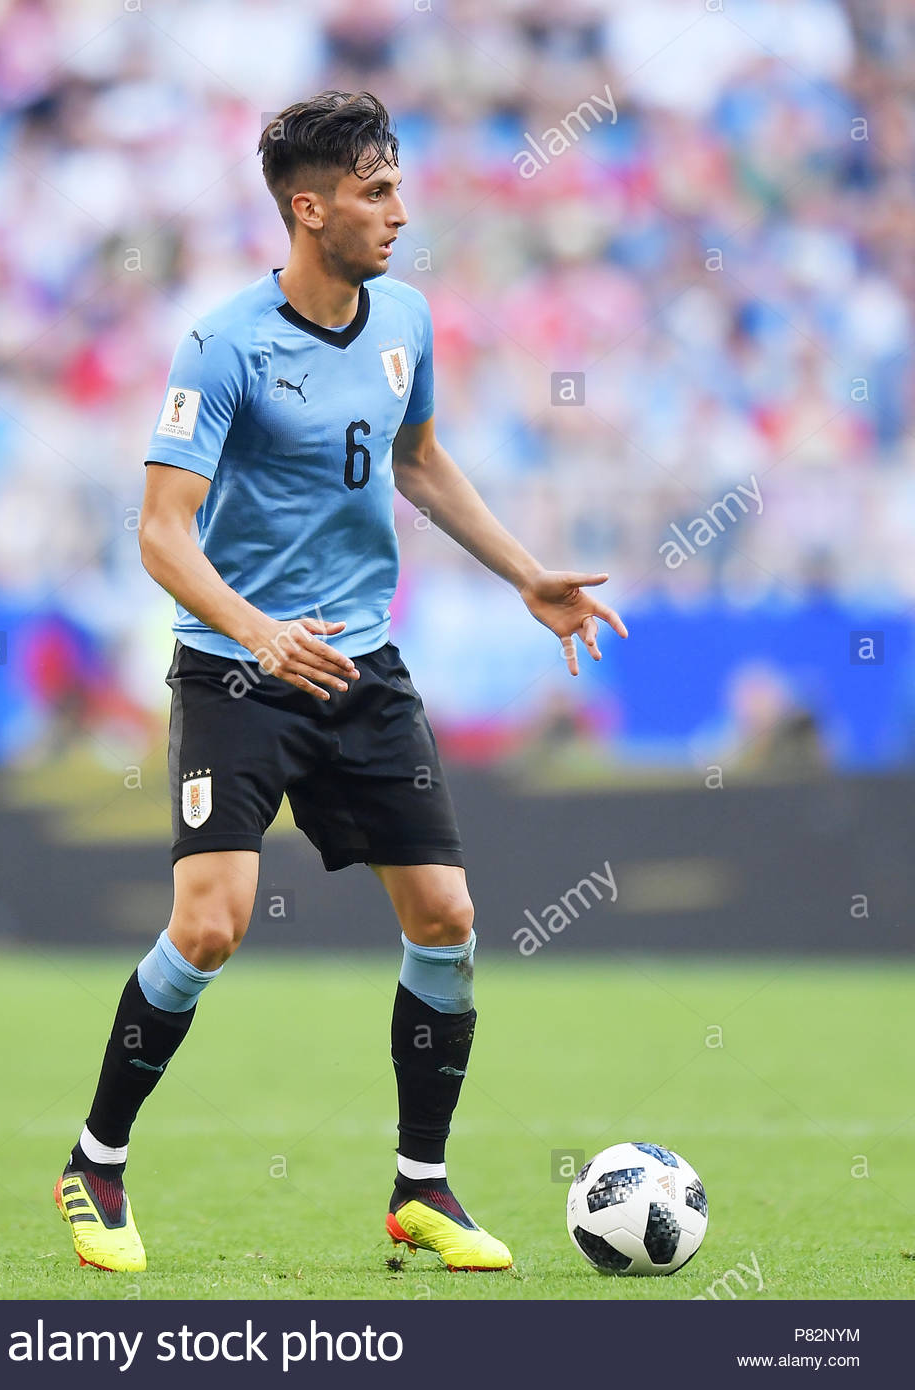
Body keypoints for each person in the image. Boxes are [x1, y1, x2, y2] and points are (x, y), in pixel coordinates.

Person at [54, 90, 626, 1275]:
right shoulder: (222, 343)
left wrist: (525, 573)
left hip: (362, 671)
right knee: (210, 926)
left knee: (449, 919)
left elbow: (419, 460)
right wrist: (259, 634)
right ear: (307, 210)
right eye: (375, 193)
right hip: (238, 677)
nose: (397, 214)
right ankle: (95, 1159)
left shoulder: (406, 316)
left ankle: (421, 1186)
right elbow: (163, 533)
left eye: (397, 188)